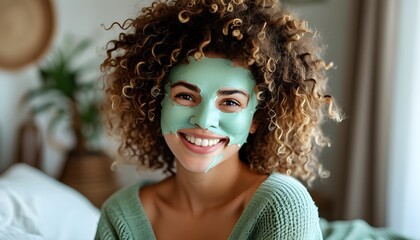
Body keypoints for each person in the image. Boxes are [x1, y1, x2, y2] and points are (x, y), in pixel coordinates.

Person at [95, 0, 342, 239]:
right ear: (156, 103)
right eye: (185, 96)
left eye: (231, 102)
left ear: (255, 119)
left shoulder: (284, 206)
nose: (204, 121)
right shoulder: (120, 214)